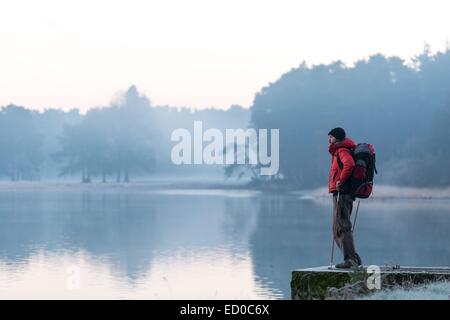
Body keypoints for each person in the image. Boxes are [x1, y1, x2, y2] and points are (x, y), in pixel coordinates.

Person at [328, 127, 362, 268]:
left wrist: (341, 181)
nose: (329, 140)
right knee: (339, 228)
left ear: (337, 138)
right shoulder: (339, 150)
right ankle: (353, 258)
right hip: (342, 193)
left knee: (342, 226)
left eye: (330, 137)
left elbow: (349, 164)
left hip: (343, 193)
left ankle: (351, 260)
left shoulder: (342, 150)